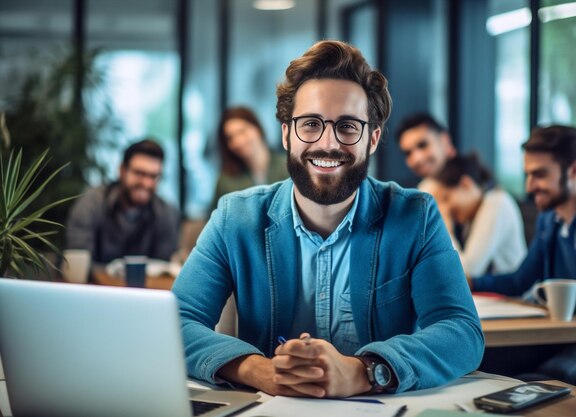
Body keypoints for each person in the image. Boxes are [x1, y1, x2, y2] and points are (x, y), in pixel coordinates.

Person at [172, 40, 483, 398]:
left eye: (348, 127)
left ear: (372, 138)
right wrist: (261, 371)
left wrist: (364, 371)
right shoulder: (236, 218)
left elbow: (461, 331)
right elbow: (175, 323)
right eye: (310, 124)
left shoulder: (416, 217)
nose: (328, 143)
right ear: (287, 134)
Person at [469, 125, 576, 388]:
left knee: (538, 382)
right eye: (528, 175)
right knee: (480, 362)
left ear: (574, 170)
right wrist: (469, 282)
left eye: (540, 175)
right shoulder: (549, 220)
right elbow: (521, 280)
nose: (530, 186)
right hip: (560, 336)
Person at [66, 139, 179, 268]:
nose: (146, 184)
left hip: (144, 288)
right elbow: (79, 264)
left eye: (153, 176)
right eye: (139, 173)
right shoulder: (92, 203)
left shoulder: (166, 213)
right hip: (95, 287)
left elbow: (162, 270)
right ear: (122, 170)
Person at [431, 153, 527, 276]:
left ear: (466, 184)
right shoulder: (472, 215)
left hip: (513, 294)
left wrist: (444, 230)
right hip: (492, 293)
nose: (445, 208)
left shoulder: (496, 202)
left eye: (446, 198)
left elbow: (468, 271)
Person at [209, 106, 288, 212]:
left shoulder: (288, 167)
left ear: (257, 128)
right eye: (230, 137)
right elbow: (216, 220)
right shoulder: (226, 180)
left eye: (242, 132)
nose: (238, 141)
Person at [396, 113, 456, 192]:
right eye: (408, 153)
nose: (417, 158)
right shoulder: (420, 193)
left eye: (423, 145)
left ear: (444, 140)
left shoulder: (472, 182)